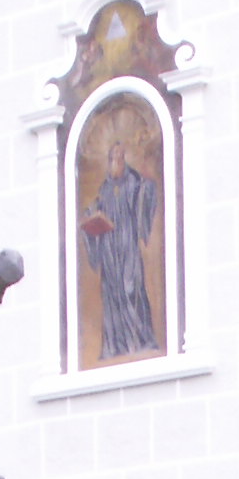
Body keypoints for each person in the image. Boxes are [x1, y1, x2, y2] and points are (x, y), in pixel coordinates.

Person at [78, 132, 161, 360]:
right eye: (113, 157)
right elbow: (96, 208)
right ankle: (116, 345)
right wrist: (90, 217)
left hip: (127, 245)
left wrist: (146, 186)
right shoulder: (105, 189)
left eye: (120, 157)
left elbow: (146, 195)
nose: (116, 161)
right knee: (112, 294)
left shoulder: (134, 183)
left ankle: (139, 340)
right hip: (109, 249)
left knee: (131, 288)